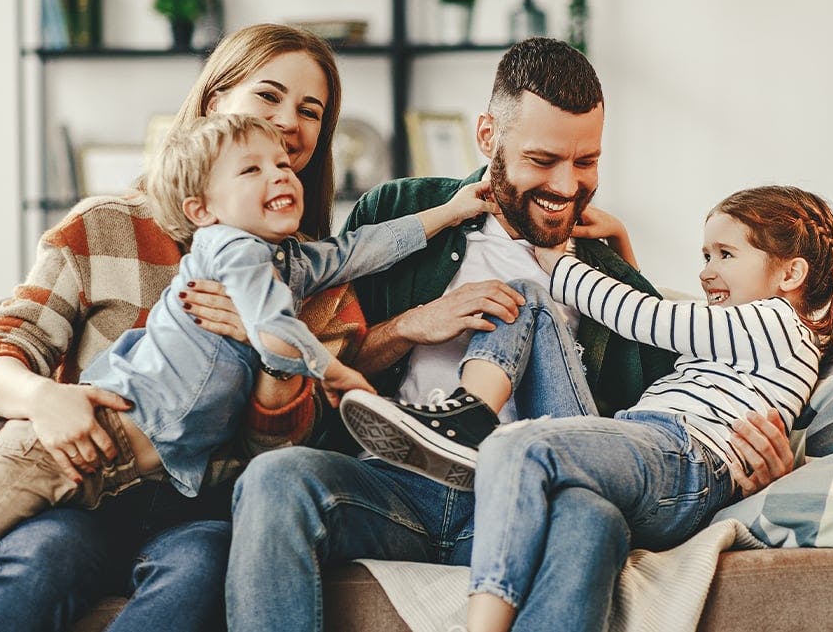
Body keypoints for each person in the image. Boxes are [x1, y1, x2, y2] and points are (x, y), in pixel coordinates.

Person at [224, 37, 796, 631]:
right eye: (543, 161)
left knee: (594, 518)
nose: (567, 187)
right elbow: (324, 369)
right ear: (487, 135)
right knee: (275, 479)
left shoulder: (608, 277)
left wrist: (745, 468)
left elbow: (659, 425)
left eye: (586, 162)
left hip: (529, 502)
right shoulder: (401, 210)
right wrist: (411, 326)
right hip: (395, 486)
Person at [0, 113, 494, 566]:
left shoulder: (287, 259)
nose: (280, 174)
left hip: (113, 471)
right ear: (203, 210)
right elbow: (272, 327)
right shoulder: (231, 248)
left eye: (283, 165)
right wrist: (336, 373)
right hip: (73, 445)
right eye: (253, 169)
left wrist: (451, 210)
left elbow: (360, 248)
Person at [0, 24, 358, 632]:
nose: (290, 121)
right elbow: (1, 353)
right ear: (213, 104)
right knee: (43, 557)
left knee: (201, 567)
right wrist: (45, 398)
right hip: (82, 484)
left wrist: (268, 352)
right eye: (269, 96)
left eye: (310, 112)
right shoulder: (103, 226)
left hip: (197, 510)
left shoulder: (307, 275)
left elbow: (276, 463)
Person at [351, 185, 833, 631]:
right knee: (523, 297)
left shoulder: (776, 322)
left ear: (792, 272)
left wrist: (557, 258)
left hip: (681, 456)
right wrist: (620, 244)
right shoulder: (744, 335)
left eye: (725, 254)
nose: (706, 273)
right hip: (643, 448)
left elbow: (646, 319)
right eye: (705, 256)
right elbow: (664, 339)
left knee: (519, 446)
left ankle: (481, 624)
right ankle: (468, 414)